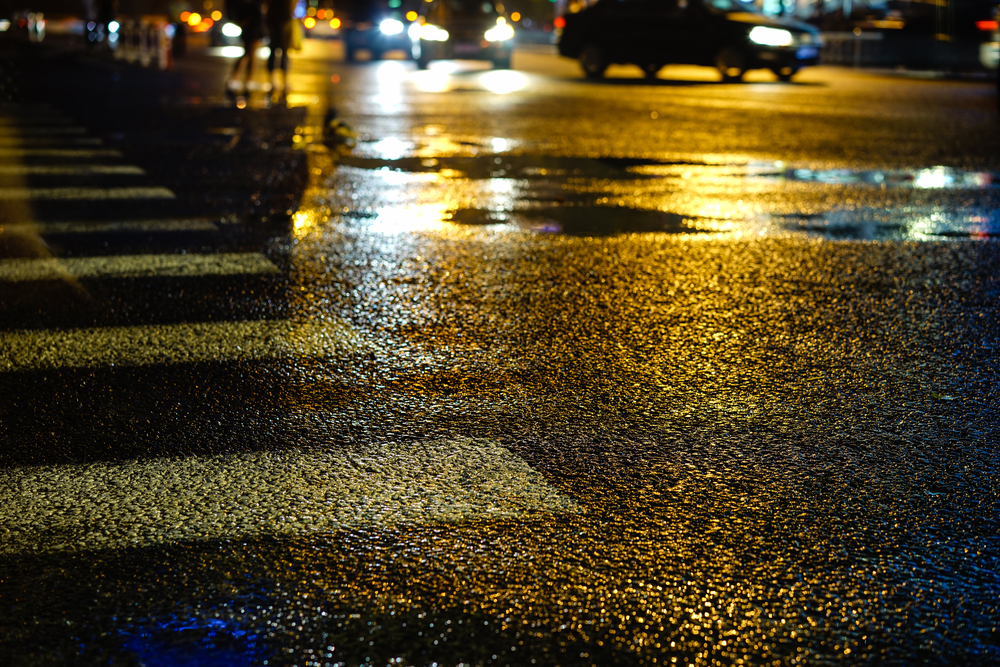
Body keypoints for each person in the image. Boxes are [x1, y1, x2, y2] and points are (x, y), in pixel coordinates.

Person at [227, 0, 265, 93]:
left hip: (250, 31)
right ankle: (247, 80)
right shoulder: (253, 4)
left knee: (248, 54)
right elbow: (256, 16)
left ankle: (238, 79)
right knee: (251, 55)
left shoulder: (249, 4)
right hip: (253, 31)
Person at [266, 0, 296, 93]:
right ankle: (279, 82)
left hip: (276, 24)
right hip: (280, 25)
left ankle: (275, 82)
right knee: (281, 54)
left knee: (277, 54)